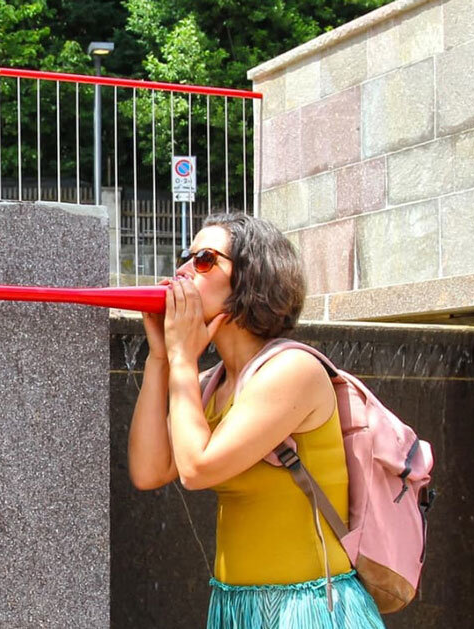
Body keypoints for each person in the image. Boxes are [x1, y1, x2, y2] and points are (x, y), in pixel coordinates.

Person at [127, 213, 384, 628]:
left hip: (310, 609)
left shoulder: (292, 371)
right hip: (235, 609)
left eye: (205, 259)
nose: (182, 270)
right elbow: (149, 470)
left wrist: (180, 359)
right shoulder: (209, 385)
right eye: (185, 256)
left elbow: (196, 469)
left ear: (251, 278)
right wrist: (161, 359)